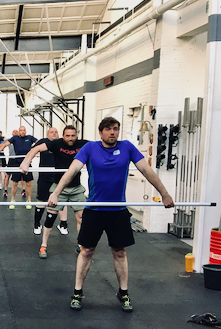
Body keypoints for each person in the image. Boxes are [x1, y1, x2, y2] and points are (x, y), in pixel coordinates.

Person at [49, 117, 174, 312]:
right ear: (101, 133)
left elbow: (147, 171)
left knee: (120, 252)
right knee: (86, 251)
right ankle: (77, 291)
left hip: (118, 211)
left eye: (115, 129)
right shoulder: (90, 148)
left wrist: (164, 193)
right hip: (94, 210)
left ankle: (123, 293)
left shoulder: (127, 148)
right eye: (108, 129)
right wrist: (56, 193)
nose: (112, 132)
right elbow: (72, 170)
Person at [20, 126, 87, 259]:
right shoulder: (56, 144)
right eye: (67, 136)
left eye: (73, 135)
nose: (70, 138)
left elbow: (102, 146)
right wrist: (26, 162)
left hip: (76, 188)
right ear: (63, 136)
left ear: (76, 136)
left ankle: (81, 245)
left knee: (81, 218)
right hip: (58, 188)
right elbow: (36, 148)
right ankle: (43, 245)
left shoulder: (82, 144)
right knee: (50, 218)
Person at [23, 127, 68, 236]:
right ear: (47, 134)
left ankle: (63, 224)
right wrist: (27, 163)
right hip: (44, 177)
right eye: (52, 132)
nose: (54, 133)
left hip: (59, 177)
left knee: (62, 201)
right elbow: (32, 151)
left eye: (56, 132)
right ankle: (37, 224)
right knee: (41, 200)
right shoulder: (42, 142)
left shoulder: (61, 144)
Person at [0, 126, 37, 208]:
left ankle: (29, 200)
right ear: (19, 131)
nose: (22, 132)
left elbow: (40, 143)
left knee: (28, 182)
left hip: (27, 163)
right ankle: (12, 200)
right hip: (17, 163)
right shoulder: (15, 138)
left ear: (25, 131)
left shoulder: (30, 138)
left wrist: (35, 150)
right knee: (15, 182)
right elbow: (4, 145)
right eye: (21, 130)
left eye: (23, 130)